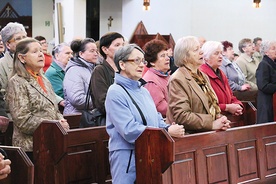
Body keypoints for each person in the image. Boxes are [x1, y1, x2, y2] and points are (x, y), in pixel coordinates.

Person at [105, 44, 185, 183]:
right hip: (127, 156)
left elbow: (156, 119)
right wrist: (164, 133)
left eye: (143, 61)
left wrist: (167, 128)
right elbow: (129, 130)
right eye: (136, 61)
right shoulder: (115, 92)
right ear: (122, 64)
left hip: (149, 152)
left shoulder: (143, 90)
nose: (141, 65)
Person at [5, 38, 69, 161]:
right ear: (22, 58)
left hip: (50, 142)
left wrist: (61, 120)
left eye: (41, 50)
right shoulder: (17, 82)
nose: (41, 54)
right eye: (35, 52)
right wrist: (53, 125)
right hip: (31, 147)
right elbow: (23, 120)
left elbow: (53, 108)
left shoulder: (43, 79)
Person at [167, 36, 230, 134]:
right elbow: (182, 116)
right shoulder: (178, 79)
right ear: (184, 57)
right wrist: (211, 124)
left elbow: (209, 105)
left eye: (200, 48)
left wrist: (220, 119)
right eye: (196, 50)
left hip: (206, 134)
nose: (201, 52)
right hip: (190, 137)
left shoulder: (202, 75)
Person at [200, 41, 243, 116]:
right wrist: (227, 107)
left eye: (221, 53)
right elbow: (205, 104)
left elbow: (230, 95)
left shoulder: (221, 73)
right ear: (206, 58)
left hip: (227, 117)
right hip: (214, 118)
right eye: (216, 53)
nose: (220, 56)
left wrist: (237, 105)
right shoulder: (202, 74)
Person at [90, 32, 124, 116]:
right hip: (110, 119)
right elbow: (102, 102)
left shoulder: (125, 69)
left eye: (123, 45)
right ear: (105, 49)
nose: (122, 48)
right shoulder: (100, 70)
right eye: (117, 45)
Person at [63, 38, 98, 115]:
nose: (96, 54)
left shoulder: (93, 68)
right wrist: (100, 101)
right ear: (81, 54)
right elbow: (77, 99)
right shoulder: (74, 71)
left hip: (91, 115)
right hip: (77, 117)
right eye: (92, 51)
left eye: (96, 51)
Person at [142, 39, 170, 117]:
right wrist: (180, 111)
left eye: (167, 55)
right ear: (152, 62)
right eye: (162, 56)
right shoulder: (151, 81)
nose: (167, 58)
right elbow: (159, 107)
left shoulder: (165, 76)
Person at [0, 22, 27, 90]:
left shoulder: (33, 59)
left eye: (24, 37)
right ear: (8, 45)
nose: (23, 41)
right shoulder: (2, 64)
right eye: (18, 39)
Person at [255, 40, 276, 124]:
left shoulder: (273, 63)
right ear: (266, 52)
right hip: (267, 103)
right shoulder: (264, 64)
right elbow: (263, 86)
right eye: (273, 48)